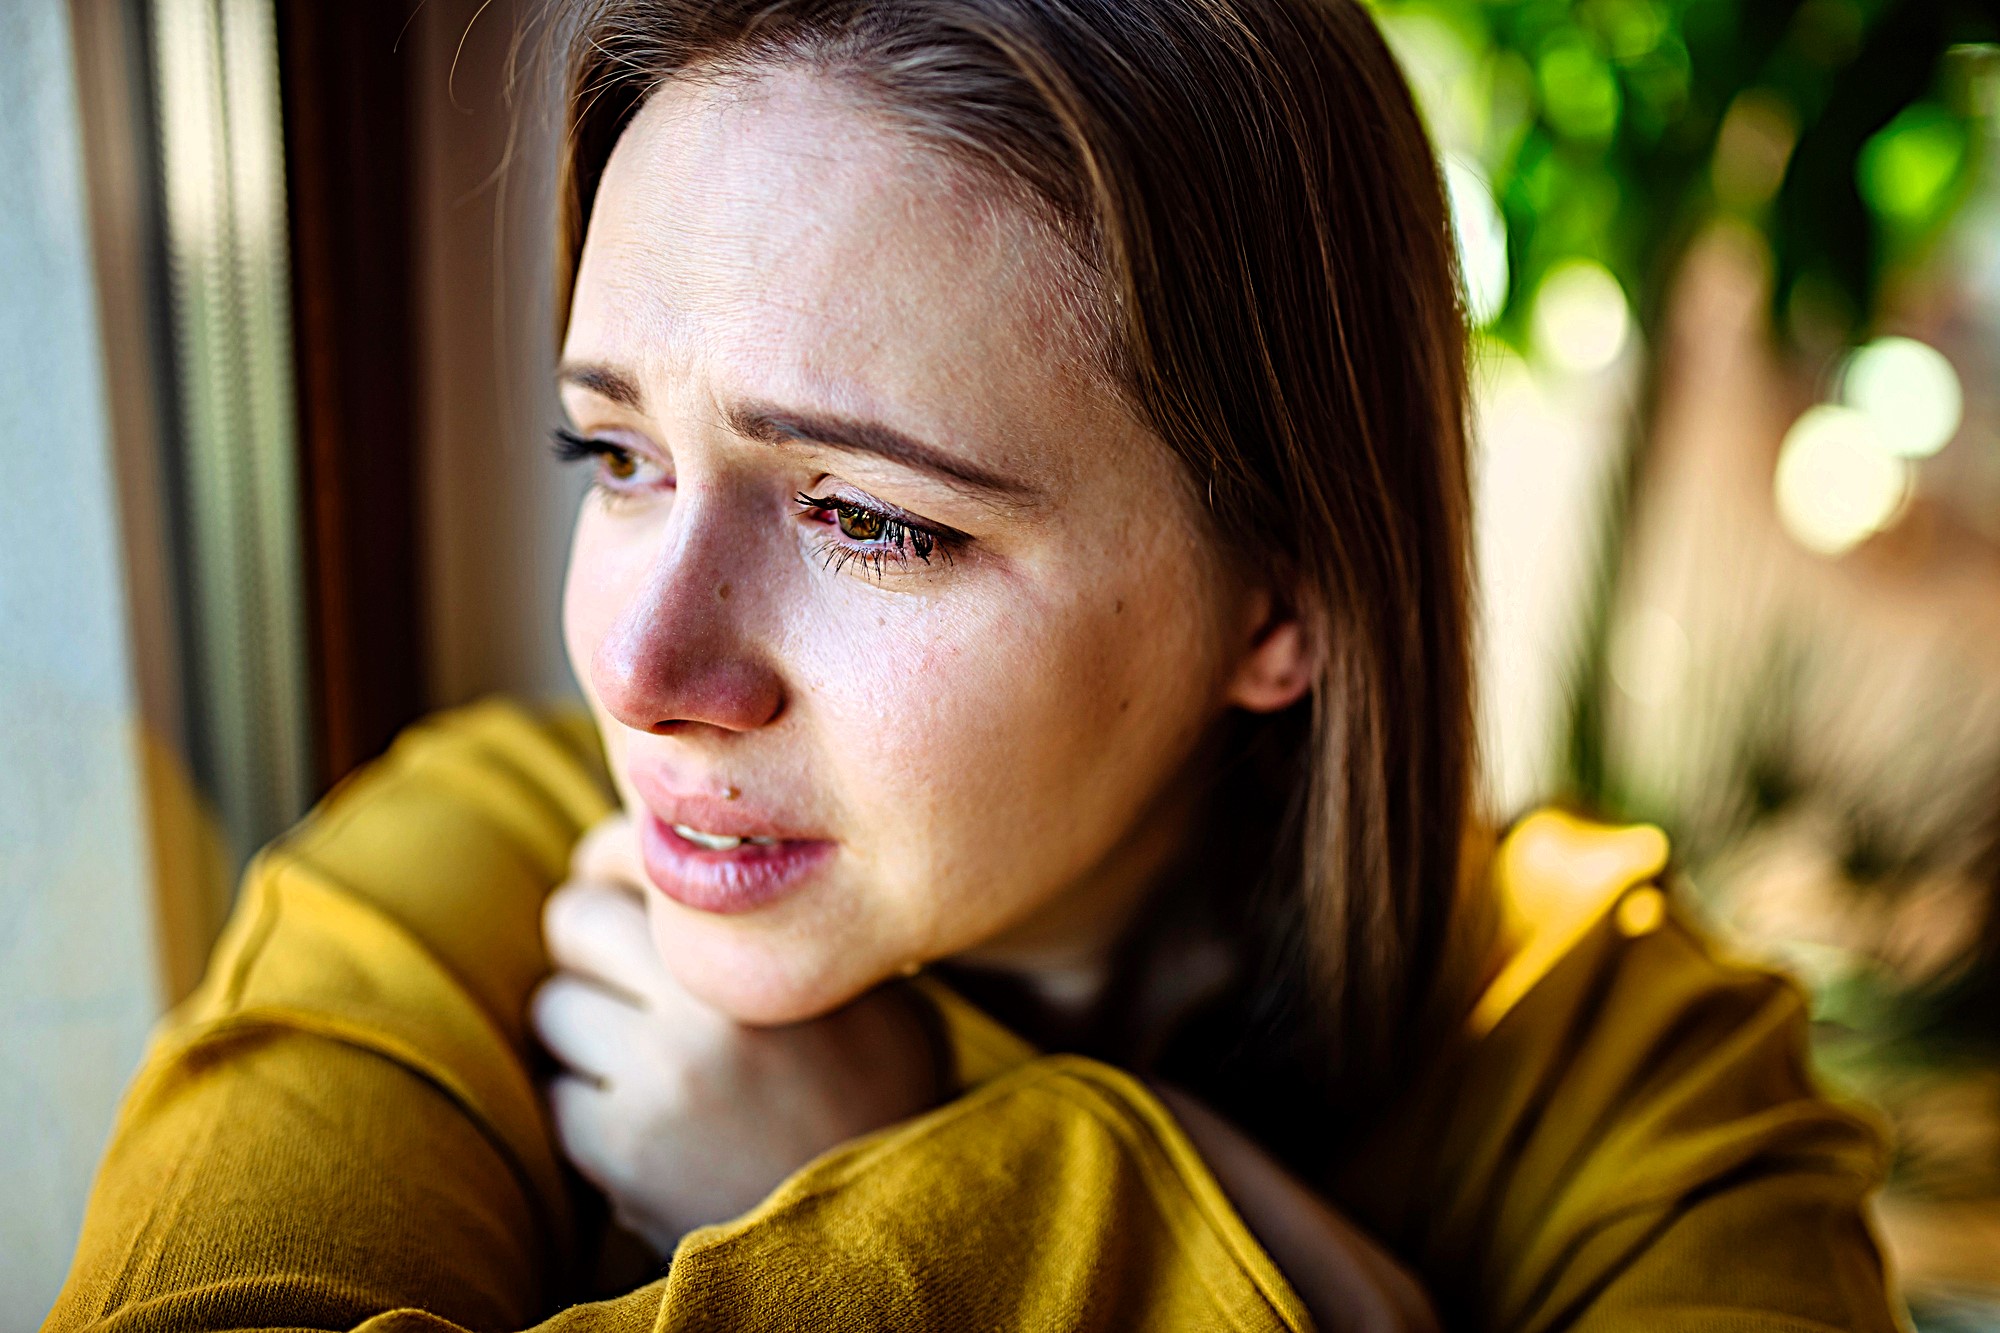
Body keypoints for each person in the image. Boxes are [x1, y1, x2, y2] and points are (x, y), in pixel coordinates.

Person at [48, 1, 1898, 1329]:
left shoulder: (1634, 1066)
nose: (645, 665)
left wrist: (941, 1183)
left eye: (871, 517)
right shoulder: (464, 863)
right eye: (614, 457)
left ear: (1287, 600)